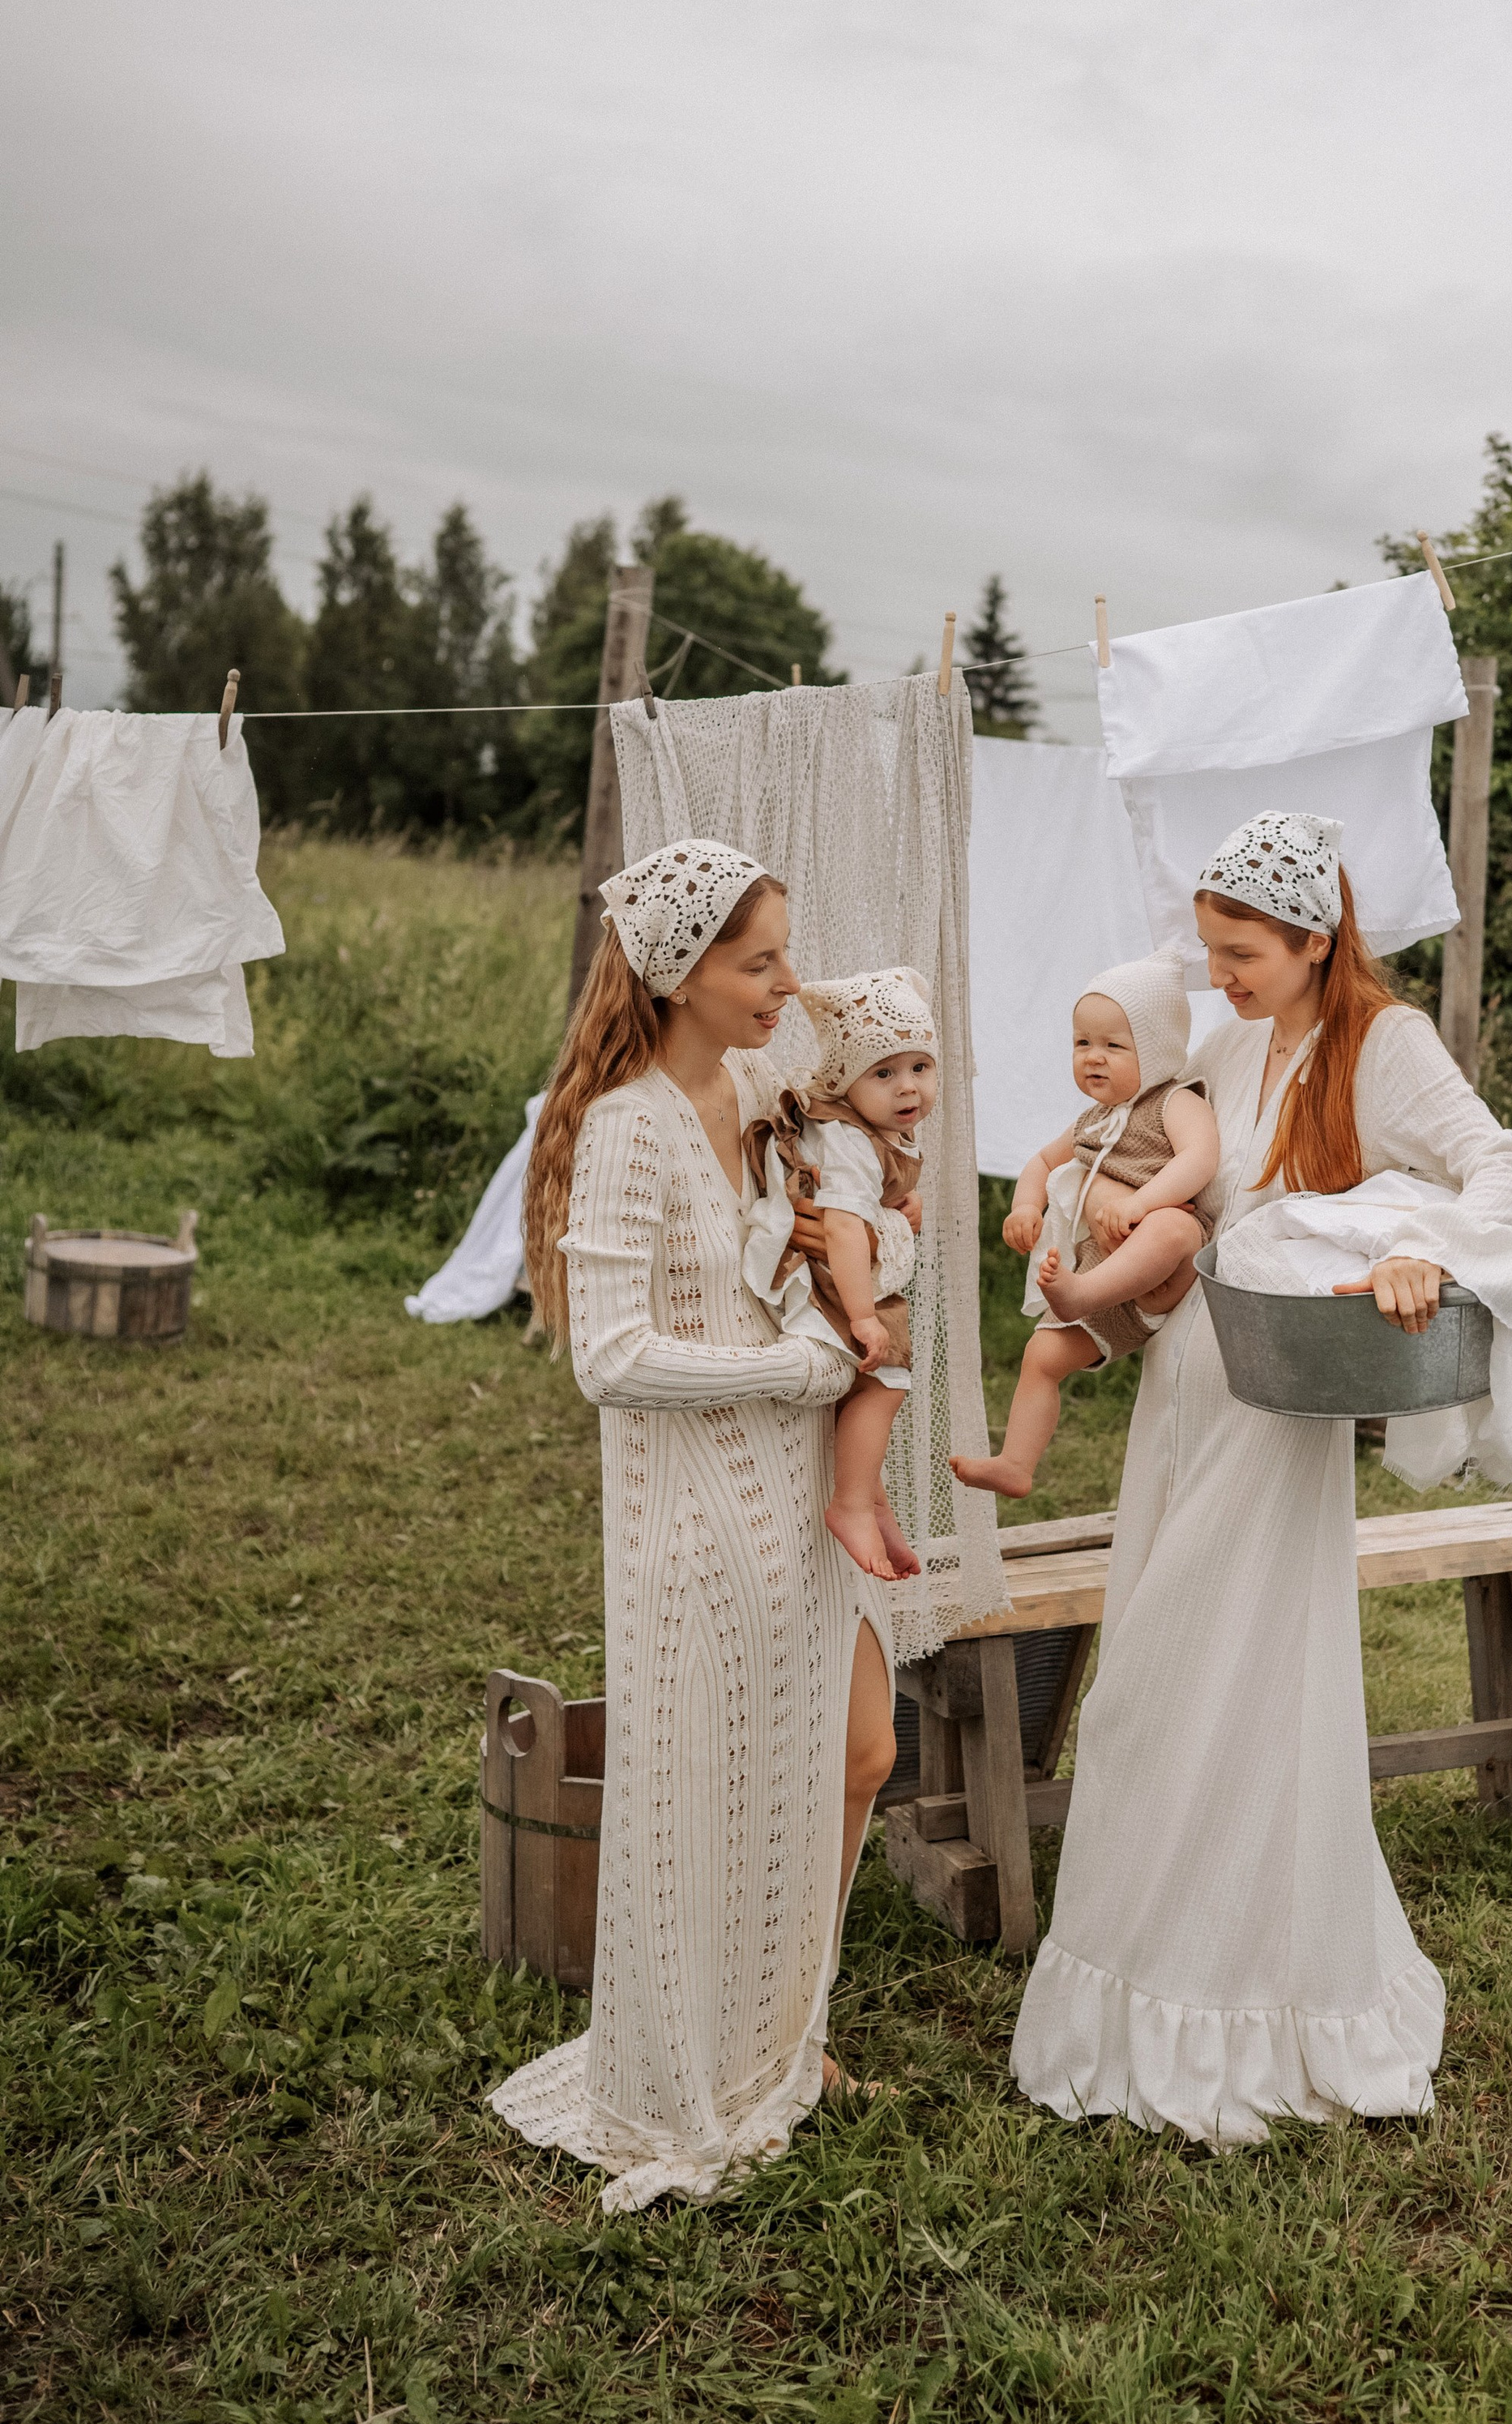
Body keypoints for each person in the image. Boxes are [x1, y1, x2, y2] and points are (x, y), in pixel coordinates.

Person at [1011, 809, 1512, 2147]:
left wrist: (1417, 1249)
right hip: (1185, 1385)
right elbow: (1154, 1165)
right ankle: (1135, 1974)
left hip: (1278, 1405)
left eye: (1241, 953)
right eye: (1209, 952)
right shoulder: (1227, 1047)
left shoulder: (1387, 1045)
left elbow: (1503, 1175)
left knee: (1235, 1682)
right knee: (1146, 1679)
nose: (1220, 976)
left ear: (1316, 939)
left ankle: (1250, 1996)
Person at [490, 838, 896, 2210]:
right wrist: (792, 1370)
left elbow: (852, 1147)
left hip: (797, 1492)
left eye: (785, 956)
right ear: (679, 973)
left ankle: (780, 2038)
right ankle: (696, 2069)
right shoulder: (628, 1128)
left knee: (822, 1763)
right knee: (711, 1791)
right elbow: (610, 1359)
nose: (786, 984)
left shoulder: (757, 1087)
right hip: (697, 1515)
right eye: (759, 962)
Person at [951, 951, 1219, 1503]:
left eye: (1114, 1046)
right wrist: (1025, 1208)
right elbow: (1041, 1163)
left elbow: (1201, 1157)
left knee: (1173, 1226)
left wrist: (1142, 1202)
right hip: (1113, 1280)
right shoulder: (1090, 1122)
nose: (1094, 1057)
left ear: (1157, 1049)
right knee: (1041, 1358)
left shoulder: (1173, 1101)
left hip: (1167, 1257)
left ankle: (1080, 1294)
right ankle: (1015, 1464)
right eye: (1082, 1043)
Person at [742, 966, 939, 1582]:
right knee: (886, 1380)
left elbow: (874, 1201)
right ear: (846, 1080)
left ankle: (871, 1500)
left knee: (869, 1391)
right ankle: (851, 1503)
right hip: (833, 1278)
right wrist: (862, 1316)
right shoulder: (849, 1139)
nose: (907, 1087)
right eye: (883, 1073)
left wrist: (903, 1206)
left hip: (843, 1271)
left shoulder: (872, 1127)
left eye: (920, 1067)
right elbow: (845, 1228)